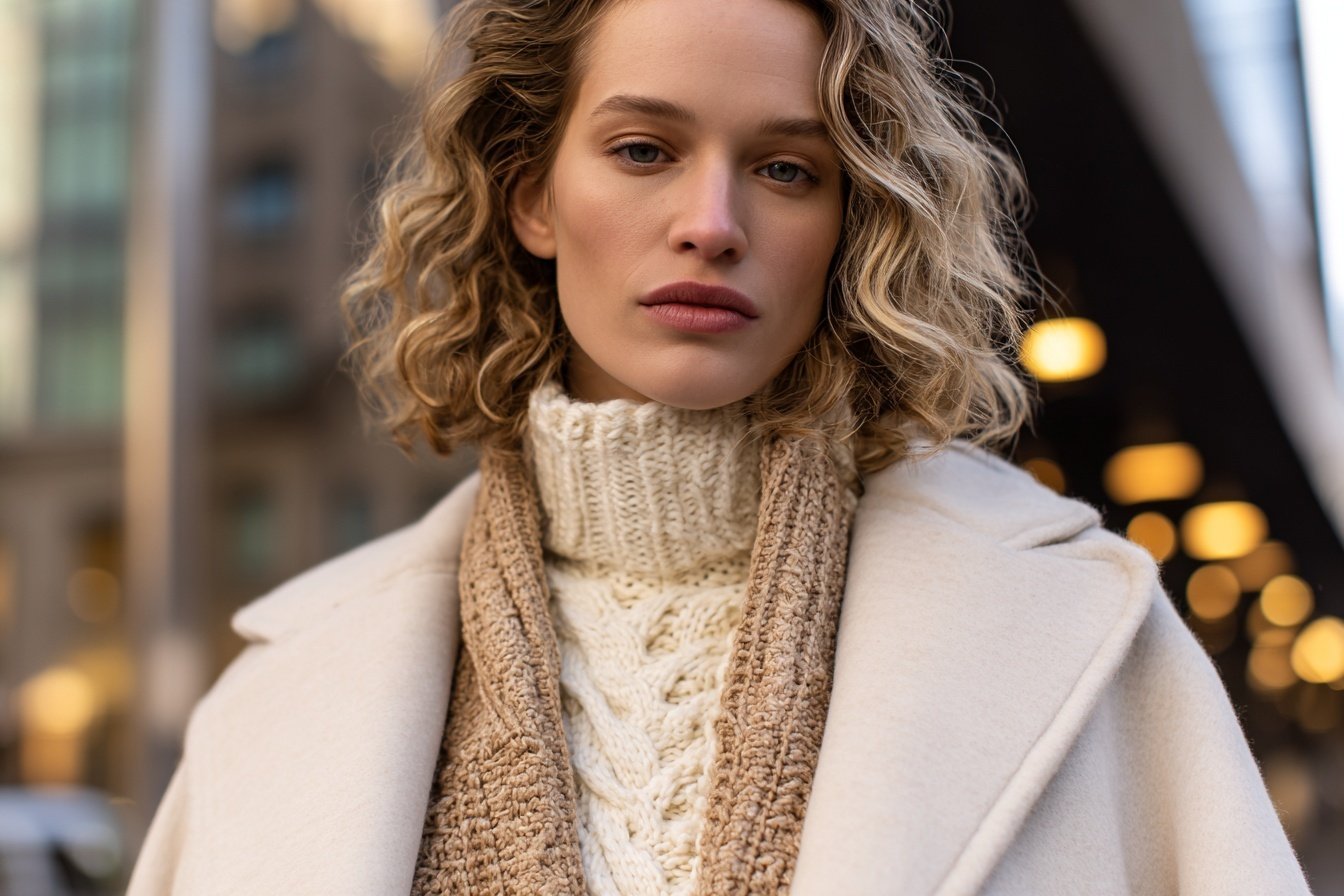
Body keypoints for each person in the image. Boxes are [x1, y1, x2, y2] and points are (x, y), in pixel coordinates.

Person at [126, 0, 1314, 893]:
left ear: (851, 221)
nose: (712, 223)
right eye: (644, 150)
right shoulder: (282, 700)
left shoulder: (1088, 637)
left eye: (787, 170)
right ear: (531, 193)